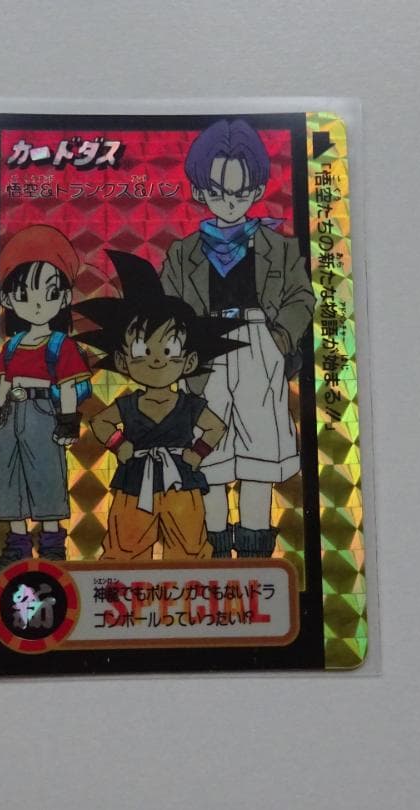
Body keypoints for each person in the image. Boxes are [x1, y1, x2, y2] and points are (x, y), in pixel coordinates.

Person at [160, 119, 315, 558]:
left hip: (259, 349)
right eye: (218, 192)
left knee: (258, 456)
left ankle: (254, 551)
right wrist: (184, 354)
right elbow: (167, 307)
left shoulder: (279, 247)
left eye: (241, 192)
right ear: (200, 191)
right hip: (204, 353)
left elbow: (301, 297)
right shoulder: (182, 252)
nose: (230, 202)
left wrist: (278, 341)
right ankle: (212, 546)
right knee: (207, 454)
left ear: (257, 190)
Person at [75, 250, 244, 561]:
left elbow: (216, 427)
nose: (156, 360)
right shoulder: (128, 404)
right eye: (142, 350)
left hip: (182, 484)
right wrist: (119, 445)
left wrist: (197, 453)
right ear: (122, 360)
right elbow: (100, 421)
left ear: (189, 361)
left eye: (169, 350)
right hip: (134, 482)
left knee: (189, 550)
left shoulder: (189, 404)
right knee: (125, 550)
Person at [0, 225, 91, 569]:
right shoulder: (12, 345)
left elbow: (66, 387)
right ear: (7, 299)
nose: (36, 304)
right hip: (11, 416)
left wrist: (68, 423)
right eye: (23, 294)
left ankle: (52, 543)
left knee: (47, 476)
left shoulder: (61, 345)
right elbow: (3, 383)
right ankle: (17, 542)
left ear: (64, 298)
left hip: (44, 412)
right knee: (10, 475)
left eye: (49, 293)